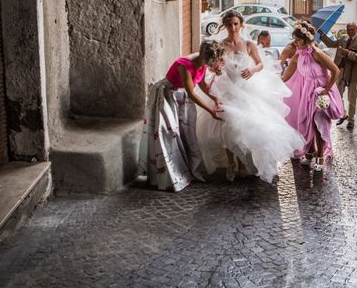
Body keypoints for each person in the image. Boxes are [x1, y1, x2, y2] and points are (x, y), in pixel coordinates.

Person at [197, 10, 304, 183]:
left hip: (248, 89)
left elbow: (260, 63)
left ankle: (245, 161)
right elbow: (212, 65)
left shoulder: (248, 44)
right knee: (228, 126)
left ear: (241, 25)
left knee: (250, 127)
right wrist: (216, 69)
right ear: (225, 25)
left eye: (236, 24)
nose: (233, 27)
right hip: (227, 89)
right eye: (230, 24)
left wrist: (252, 70)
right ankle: (231, 162)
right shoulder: (220, 45)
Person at [139, 40, 226, 192]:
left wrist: (214, 98)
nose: (211, 65)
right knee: (168, 133)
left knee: (186, 134)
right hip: (166, 94)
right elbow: (192, 93)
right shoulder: (185, 65)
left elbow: (201, 84)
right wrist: (210, 110)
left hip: (180, 96)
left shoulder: (203, 62)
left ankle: (188, 171)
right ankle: (167, 175)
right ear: (205, 55)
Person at [283, 20, 343, 172]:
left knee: (318, 124)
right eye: (294, 40)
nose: (295, 43)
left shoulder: (318, 54)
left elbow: (336, 71)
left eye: (297, 40)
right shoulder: (297, 57)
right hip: (305, 94)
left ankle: (320, 156)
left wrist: (326, 90)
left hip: (319, 93)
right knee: (307, 123)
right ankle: (310, 153)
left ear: (307, 39)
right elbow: (285, 77)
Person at [319, 22, 357, 129]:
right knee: (338, 95)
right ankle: (343, 114)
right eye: (348, 29)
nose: (350, 31)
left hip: (353, 73)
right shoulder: (343, 38)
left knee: (352, 98)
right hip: (340, 71)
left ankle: (351, 120)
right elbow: (331, 44)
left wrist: (348, 53)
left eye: (352, 29)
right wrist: (322, 35)